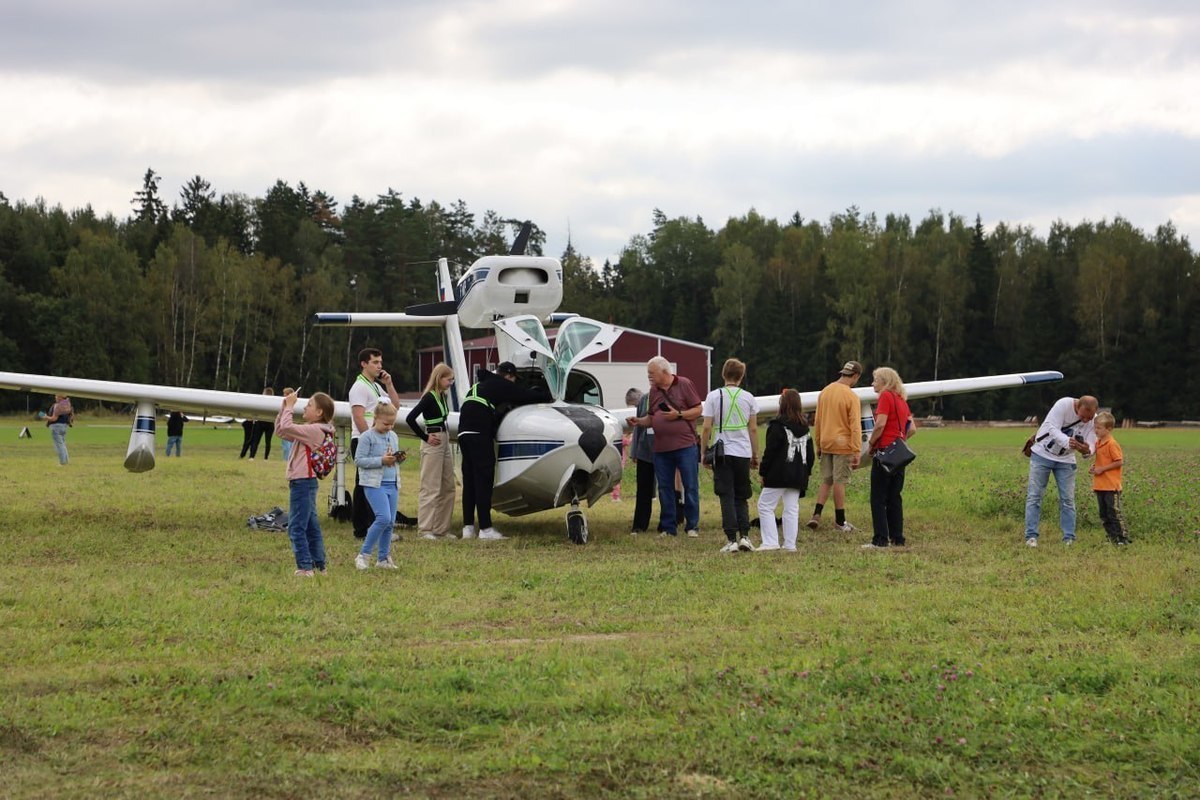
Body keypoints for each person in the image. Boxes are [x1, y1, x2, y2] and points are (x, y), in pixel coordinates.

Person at [458, 362, 551, 540]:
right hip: (479, 433)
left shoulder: (479, 385)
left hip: (464, 432)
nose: (513, 383)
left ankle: (468, 528)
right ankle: (485, 529)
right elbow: (525, 396)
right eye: (514, 379)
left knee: (469, 481)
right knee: (484, 480)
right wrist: (548, 395)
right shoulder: (500, 383)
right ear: (508, 375)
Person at [626, 356, 703, 537]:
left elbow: (698, 409)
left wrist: (679, 414)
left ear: (665, 372)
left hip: (685, 446)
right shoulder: (653, 391)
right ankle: (669, 527)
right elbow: (652, 418)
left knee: (690, 486)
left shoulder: (685, 384)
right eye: (648, 374)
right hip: (661, 449)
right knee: (664, 488)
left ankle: (692, 526)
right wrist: (639, 421)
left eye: (652, 373)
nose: (649, 377)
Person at [700, 358, 760, 553]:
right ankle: (745, 536)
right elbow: (752, 429)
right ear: (741, 377)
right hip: (742, 451)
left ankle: (730, 539)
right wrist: (755, 453)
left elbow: (707, 426)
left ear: (723, 374)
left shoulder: (713, 396)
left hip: (722, 452)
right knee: (741, 495)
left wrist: (703, 452)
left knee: (726, 494)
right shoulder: (749, 398)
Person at [274, 390, 337, 577]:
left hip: (302, 482)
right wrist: (284, 407)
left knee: (296, 526)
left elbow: (286, 425)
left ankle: (305, 567)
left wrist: (290, 406)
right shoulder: (312, 430)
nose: (305, 406)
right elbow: (281, 430)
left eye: (309, 404)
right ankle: (319, 565)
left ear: (319, 413)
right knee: (310, 525)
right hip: (305, 482)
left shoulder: (314, 431)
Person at [1024, 395, 1099, 547]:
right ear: (1077, 406)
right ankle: (1031, 536)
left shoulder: (1093, 419)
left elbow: (1091, 443)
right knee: (1034, 496)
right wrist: (1068, 442)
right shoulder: (1063, 404)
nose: (1086, 421)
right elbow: (1052, 428)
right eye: (1083, 416)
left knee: (1068, 500)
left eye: (1089, 418)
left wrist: (1086, 449)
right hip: (1042, 454)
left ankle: (1069, 538)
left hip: (1066, 460)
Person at [349, 348, 401, 539]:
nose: (380, 366)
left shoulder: (376, 387)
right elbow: (358, 416)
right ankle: (363, 529)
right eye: (375, 362)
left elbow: (395, 407)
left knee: (373, 484)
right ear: (364, 364)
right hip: (364, 440)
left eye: (380, 362)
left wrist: (389, 384)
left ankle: (372, 526)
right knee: (364, 484)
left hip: (374, 439)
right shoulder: (359, 387)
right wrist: (369, 440)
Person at [807, 361, 864, 533]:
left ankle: (816, 514)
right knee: (840, 481)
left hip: (825, 442)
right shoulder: (851, 396)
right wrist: (856, 450)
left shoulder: (825, 391)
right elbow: (855, 425)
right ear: (855, 376)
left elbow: (818, 420)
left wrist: (818, 443)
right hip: (842, 444)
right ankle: (840, 521)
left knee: (827, 480)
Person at [864, 367, 916, 550]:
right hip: (899, 454)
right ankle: (897, 538)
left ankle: (880, 539)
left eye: (875, 379)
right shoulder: (902, 400)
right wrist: (899, 442)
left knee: (878, 498)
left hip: (884, 453)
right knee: (894, 497)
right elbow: (912, 428)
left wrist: (871, 444)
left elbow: (880, 424)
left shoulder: (885, 396)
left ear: (884, 381)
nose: (872, 383)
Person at [756, 388, 813, 552]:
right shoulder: (805, 428)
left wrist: (763, 472)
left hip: (778, 474)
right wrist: (806, 473)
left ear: (782, 404)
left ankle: (770, 541)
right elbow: (810, 456)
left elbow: (770, 452)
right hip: (798, 475)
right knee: (791, 508)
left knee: (765, 506)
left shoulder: (776, 426)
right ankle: (790, 544)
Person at [406, 362, 457, 540]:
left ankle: (441, 529)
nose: (451, 383)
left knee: (448, 487)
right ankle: (425, 529)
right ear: (439, 378)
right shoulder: (429, 397)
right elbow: (410, 418)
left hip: (444, 439)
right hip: (433, 441)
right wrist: (425, 437)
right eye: (449, 379)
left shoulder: (442, 396)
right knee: (430, 487)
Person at [354, 403, 402, 569]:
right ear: (375, 419)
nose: (389, 427)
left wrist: (397, 458)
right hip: (374, 484)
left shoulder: (393, 436)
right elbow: (358, 460)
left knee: (390, 522)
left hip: (392, 483)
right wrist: (381, 460)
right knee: (383, 518)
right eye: (385, 424)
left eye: (392, 424)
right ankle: (363, 555)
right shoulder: (367, 437)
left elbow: (392, 458)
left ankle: (383, 559)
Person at [1089, 411, 1130, 545]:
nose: (1096, 431)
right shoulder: (1098, 443)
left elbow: (1119, 462)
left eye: (1099, 428)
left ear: (1109, 429)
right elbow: (1102, 460)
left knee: (1114, 513)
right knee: (1104, 514)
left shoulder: (1112, 444)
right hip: (1100, 485)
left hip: (1111, 486)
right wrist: (1094, 467)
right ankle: (1112, 537)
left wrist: (1102, 469)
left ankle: (1122, 538)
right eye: (1095, 428)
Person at [627, 387, 656, 534]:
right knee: (643, 488)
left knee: (666, 488)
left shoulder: (672, 396)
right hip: (645, 449)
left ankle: (669, 523)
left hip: (665, 448)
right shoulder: (645, 399)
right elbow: (637, 427)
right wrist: (635, 451)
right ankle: (639, 525)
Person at [247, 389, 276, 460]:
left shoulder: (261, 401)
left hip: (261, 422)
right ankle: (265, 458)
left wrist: (252, 418)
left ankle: (252, 457)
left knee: (256, 440)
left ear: (264, 393)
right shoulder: (274, 401)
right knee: (267, 441)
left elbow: (256, 410)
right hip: (268, 423)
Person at [46, 393, 73, 466]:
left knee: (59, 446)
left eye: (57, 396)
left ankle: (63, 462)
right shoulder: (67, 404)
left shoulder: (57, 406)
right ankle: (66, 461)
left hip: (56, 427)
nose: (55, 397)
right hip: (64, 426)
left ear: (60, 398)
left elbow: (54, 418)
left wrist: (44, 416)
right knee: (63, 444)